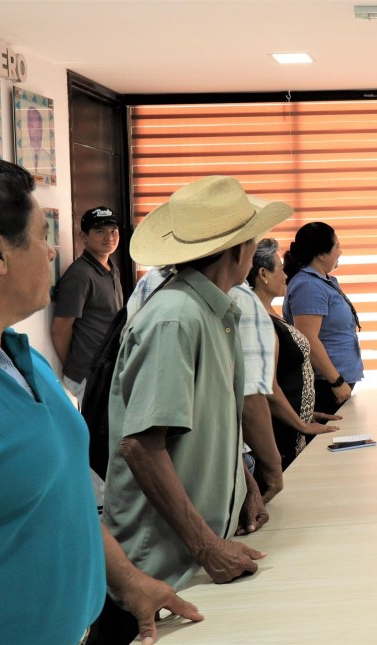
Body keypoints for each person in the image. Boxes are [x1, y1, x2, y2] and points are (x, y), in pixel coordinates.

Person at [0, 158, 202, 644]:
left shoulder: (24, 358)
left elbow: (67, 496)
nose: (51, 251)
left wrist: (128, 582)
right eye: (43, 235)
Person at [102, 176, 293, 637]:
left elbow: (209, 420)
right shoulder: (176, 318)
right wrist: (207, 546)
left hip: (193, 559)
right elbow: (141, 446)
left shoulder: (212, 310)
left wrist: (241, 482)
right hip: (162, 570)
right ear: (238, 252)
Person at [126, 264, 284, 502]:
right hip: (203, 467)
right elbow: (249, 397)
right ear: (238, 253)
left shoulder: (152, 281)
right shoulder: (237, 297)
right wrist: (273, 467)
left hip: (160, 469)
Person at [248, 238, 342, 469]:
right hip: (280, 432)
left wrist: (306, 414)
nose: (286, 276)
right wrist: (301, 424)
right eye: (280, 269)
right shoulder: (260, 321)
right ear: (263, 274)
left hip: (291, 423)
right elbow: (269, 387)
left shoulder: (270, 314)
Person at [282, 222, 363, 413]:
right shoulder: (309, 286)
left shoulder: (321, 281)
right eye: (337, 247)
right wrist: (336, 381)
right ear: (320, 254)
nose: (340, 252)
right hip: (325, 382)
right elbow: (308, 339)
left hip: (333, 380)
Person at [51, 206, 124, 403]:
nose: (109, 237)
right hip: (89, 376)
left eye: (113, 231)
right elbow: (60, 330)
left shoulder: (111, 268)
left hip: (109, 372)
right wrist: (76, 370)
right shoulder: (80, 275)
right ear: (84, 236)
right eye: (100, 231)